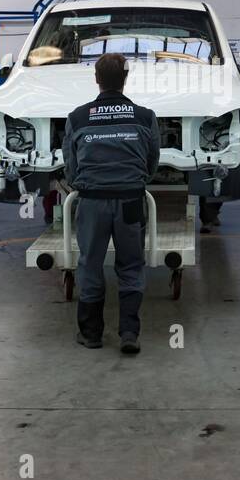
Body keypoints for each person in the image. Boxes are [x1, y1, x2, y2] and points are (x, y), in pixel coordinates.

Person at [62, 52, 161, 354]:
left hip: (92, 202)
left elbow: (71, 166)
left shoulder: (78, 117)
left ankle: (91, 334)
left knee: (90, 264)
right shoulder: (145, 116)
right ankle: (129, 332)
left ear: (96, 79)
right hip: (131, 200)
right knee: (131, 264)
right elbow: (152, 161)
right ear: (125, 79)